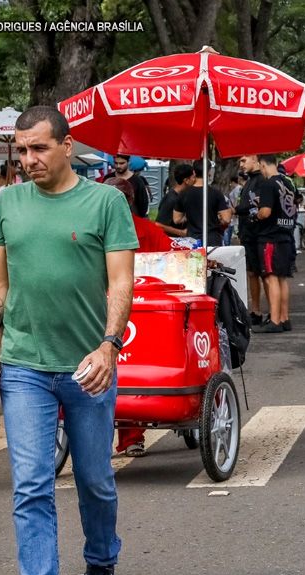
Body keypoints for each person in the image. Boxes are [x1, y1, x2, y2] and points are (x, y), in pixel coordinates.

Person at [0, 106, 138, 575]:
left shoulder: (106, 201)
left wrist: (109, 347)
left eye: (38, 148)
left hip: (88, 364)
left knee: (94, 480)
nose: (28, 159)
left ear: (68, 146)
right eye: (20, 149)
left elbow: (120, 282)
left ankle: (102, 559)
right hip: (23, 366)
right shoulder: (6, 204)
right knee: (31, 485)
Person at [104, 177, 174, 459]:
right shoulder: (149, 230)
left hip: (108, 308)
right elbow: (172, 264)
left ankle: (116, 438)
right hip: (148, 311)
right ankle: (132, 437)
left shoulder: (99, 230)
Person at [250, 155, 297, 333]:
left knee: (271, 278)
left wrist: (256, 214)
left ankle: (275, 320)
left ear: (262, 165)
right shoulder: (288, 183)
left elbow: (266, 212)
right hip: (286, 235)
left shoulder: (268, 185)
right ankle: (284, 318)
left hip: (270, 237)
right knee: (282, 278)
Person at [236, 156, 271, 326]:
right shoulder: (249, 181)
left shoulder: (262, 181)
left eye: (244, 160)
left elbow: (254, 205)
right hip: (248, 234)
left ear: (256, 160)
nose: (241, 164)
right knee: (252, 273)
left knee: (265, 273)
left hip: (259, 234)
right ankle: (256, 310)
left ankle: (272, 310)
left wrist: (236, 209)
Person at [172, 162, 232, 247]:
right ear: (209, 173)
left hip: (192, 240)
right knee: (212, 260)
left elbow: (176, 219)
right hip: (212, 239)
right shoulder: (216, 193)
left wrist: (190, 216)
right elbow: (226, 219)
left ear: (194, 172)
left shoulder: (183, 194)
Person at [154, 163, 195, 238]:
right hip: (172, 241)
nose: (195, 180)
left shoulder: (182, 196)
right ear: (186, 180)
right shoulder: (171, 199)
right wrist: (181, 232)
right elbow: (158, 224)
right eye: (193, 177)